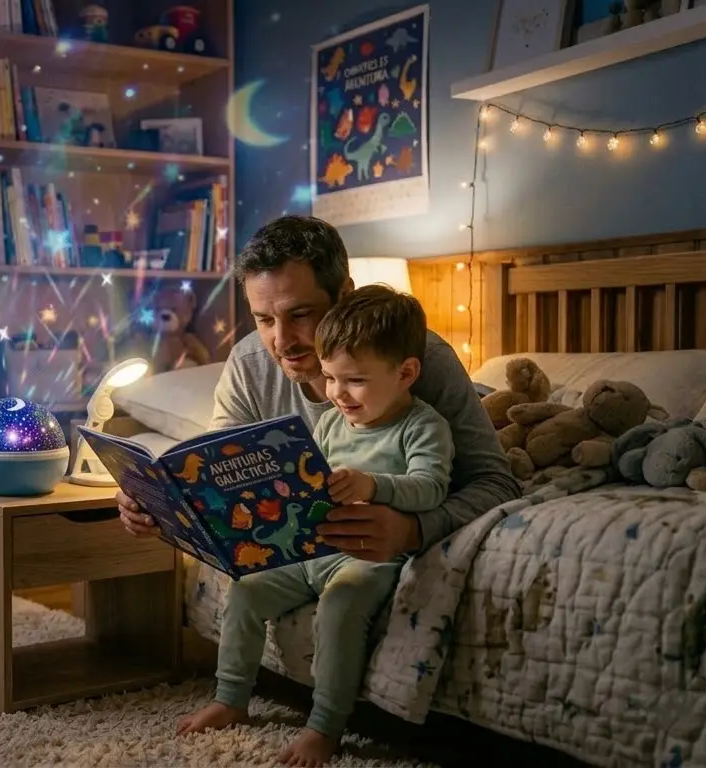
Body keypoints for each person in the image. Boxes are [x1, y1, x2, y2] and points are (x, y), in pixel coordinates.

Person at [117, 216, 519, 765]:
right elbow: (215, 474)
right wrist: (157, 505)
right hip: (300, 553)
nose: (282, 341)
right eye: (263, 319)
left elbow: (496, 481)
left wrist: (412, 527)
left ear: (345, 294)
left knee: (342, 602)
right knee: (247, 586)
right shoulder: (251, 365)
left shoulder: (422, 361)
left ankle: (327, 723)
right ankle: (230, 697)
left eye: (301, 314)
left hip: (360, 557)